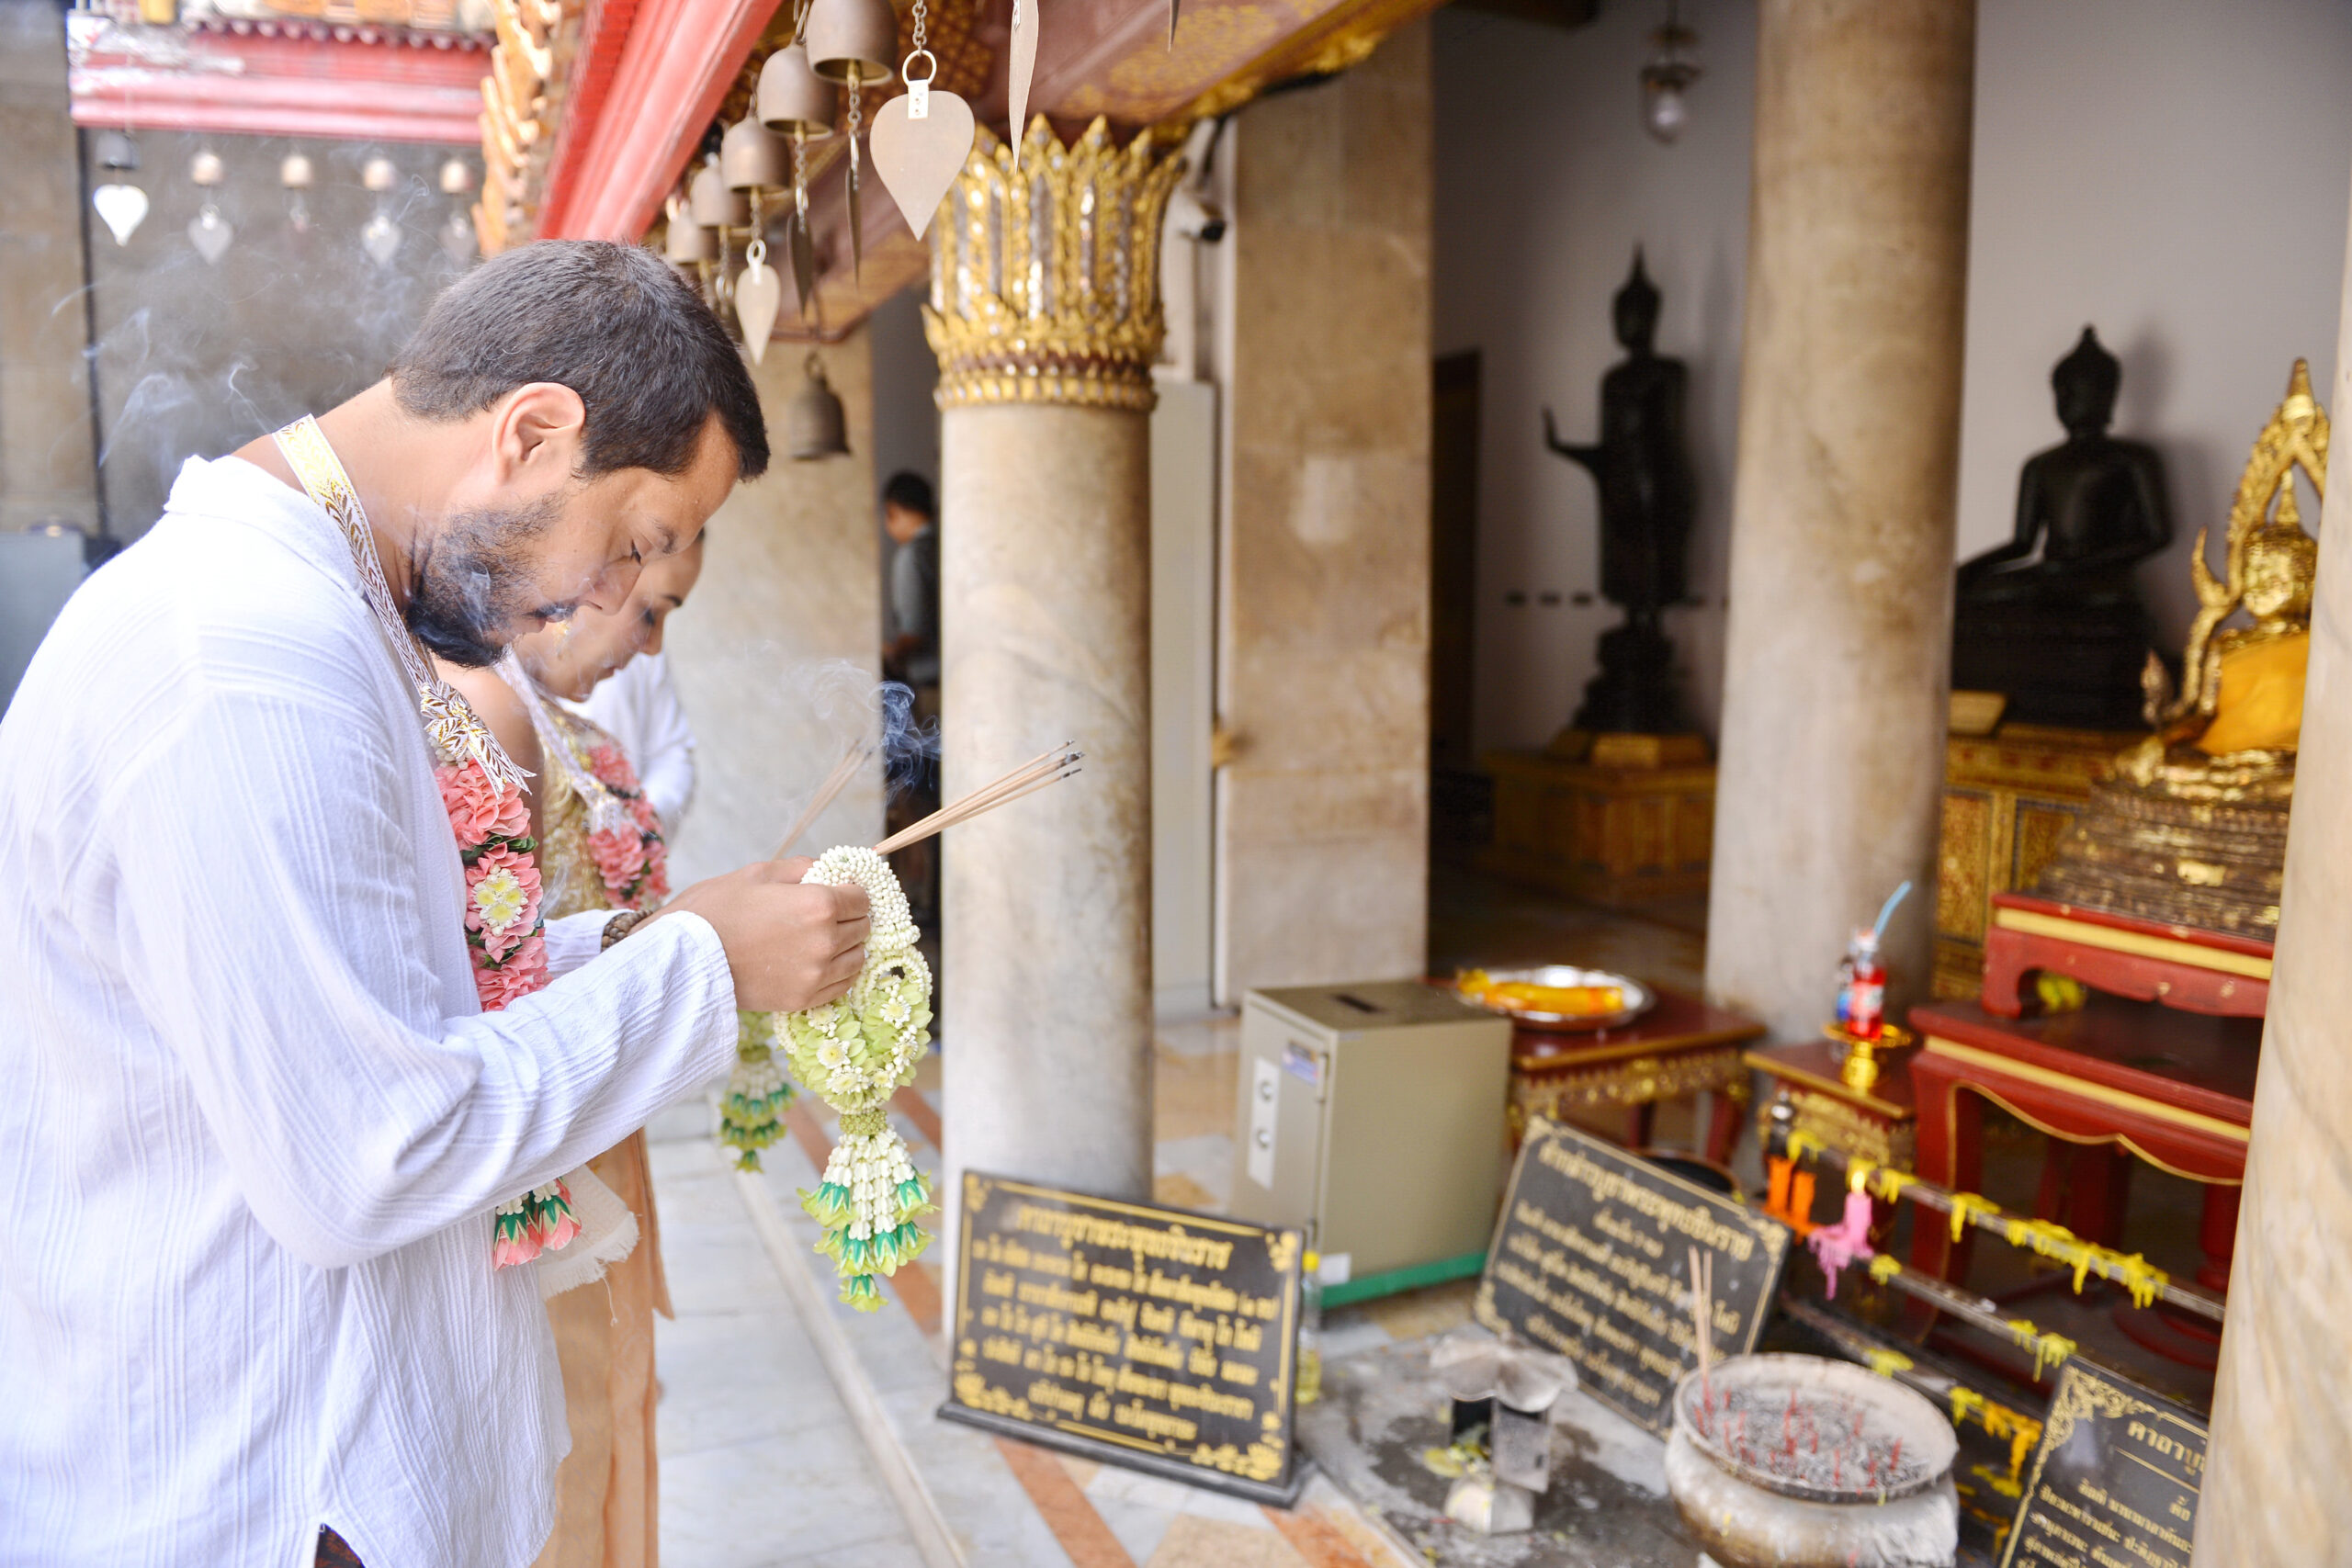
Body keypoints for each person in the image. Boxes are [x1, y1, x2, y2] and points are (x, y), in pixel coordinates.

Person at [0, 242, 869, 1568]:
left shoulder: (325, 612)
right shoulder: (246, 659)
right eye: (633, 540)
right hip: (273, 1488)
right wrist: (702, 968)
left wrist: (639, 934)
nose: (616, 603)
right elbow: (363, 1147)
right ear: (531, 431)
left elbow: (400, 987)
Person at [440, 535, 706, 1568]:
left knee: (609, 1400)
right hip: (535, 1136)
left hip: (589, 1112)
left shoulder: (561, 720)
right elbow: (471, 974)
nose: (648, 648)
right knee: (564, 1433)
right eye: (649, 610)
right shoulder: (478, 712)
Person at [879, 471, 940, 921]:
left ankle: (921, 901)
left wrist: (888, 650)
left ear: (895, 513)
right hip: (959, 686)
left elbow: (915, 631)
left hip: (932, 689)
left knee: (921, 796)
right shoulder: (950, 545)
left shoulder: (911, 556)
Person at [571, 650, 695, 837]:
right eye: (648, 619)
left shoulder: (643, 652)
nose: (654, 644)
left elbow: (672, 751)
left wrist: (640, 823)